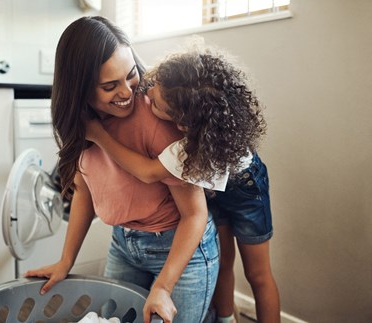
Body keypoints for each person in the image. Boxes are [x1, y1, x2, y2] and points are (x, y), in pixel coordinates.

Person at [24, 16, 219, 323]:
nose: (127, 92)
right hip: (123, 246)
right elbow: (84, 194)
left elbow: (195, 214)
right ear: (80, 91)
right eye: (109, 86)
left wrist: (164, 287)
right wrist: (65, 260)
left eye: (130, 76)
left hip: (178, 249)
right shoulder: (80, 124)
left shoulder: (156, 120)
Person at [85, 40, 280, 323]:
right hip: (212, 191)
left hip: (246, 189)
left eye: (156, 104)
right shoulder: (172, 90)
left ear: (183, 124)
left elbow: (147, 172)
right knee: (224, 262)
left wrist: (99, 136)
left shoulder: (184, 147)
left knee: (258, 274)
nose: (147, 94)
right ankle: (226, 319)